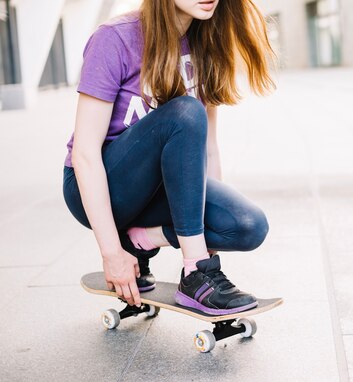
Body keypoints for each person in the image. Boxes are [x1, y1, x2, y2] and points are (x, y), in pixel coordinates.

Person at [62, 0, 275, 315]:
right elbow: (85, 153)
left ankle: (140, 240)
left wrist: (204, 228)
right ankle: (196, 273)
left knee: (247, 225)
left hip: (161, 188)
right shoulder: (115, 38)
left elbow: (209, 149)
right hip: (101, 186)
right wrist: (111, 254)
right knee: (185, 112)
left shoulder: (206, 42)